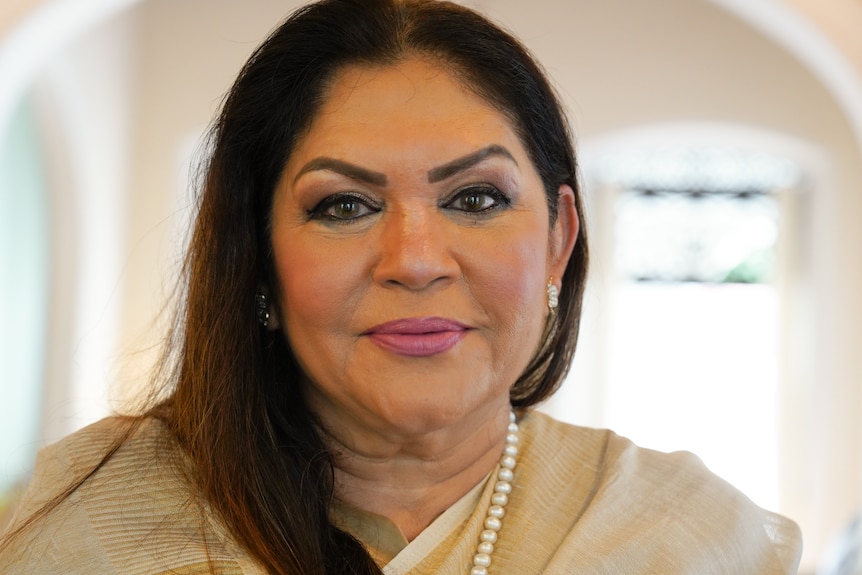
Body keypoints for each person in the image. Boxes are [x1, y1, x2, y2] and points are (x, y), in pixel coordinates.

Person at [0, 0, 802, 573]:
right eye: (344, 205)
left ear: (559, 239)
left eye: (476, 199)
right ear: (256, 257)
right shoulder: (89, 530)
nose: (416, 260)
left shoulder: (689, 539)